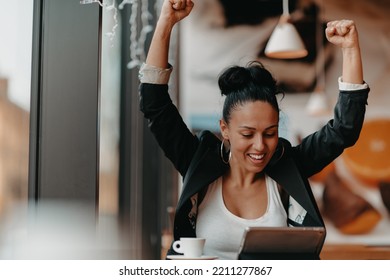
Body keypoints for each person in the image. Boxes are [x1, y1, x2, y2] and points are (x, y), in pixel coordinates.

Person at [138, 0, 369, 259]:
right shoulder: (198, 161)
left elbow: (344, 130)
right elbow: (155, 105)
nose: (260, 146)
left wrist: (350, 50)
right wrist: (166, 22)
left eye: (270, 133)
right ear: (224, 129)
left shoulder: (289, 166)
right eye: (247, 134)